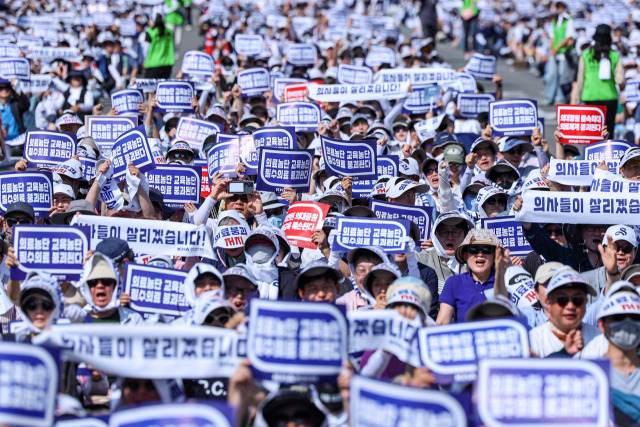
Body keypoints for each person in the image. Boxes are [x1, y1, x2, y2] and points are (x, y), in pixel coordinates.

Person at [528, 266, 600, 358]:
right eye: (562, 300)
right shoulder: (533, 340)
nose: (570, 306)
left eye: (577, 300)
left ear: (586, 302)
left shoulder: (600, 339)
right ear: (548, 302)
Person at [437, 229, 502, 324]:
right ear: (465, 255)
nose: (480, 254)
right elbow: (442, 322)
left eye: (486, 249)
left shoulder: (505, 282)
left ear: (495, 255)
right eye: (473, 249)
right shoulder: (454, 283)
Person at [575, 24, 624, 134]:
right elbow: (620, 80)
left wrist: (578, 97)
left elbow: (580, 79)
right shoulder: (614, 56)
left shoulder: (586, 55)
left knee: (592, 133)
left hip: (590, 97)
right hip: (609, 97)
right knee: (607, 132)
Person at [545, 1, 575, 105]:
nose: (559, 9)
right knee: (552, 75)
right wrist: (551, 48)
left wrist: (556, 48)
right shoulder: (555, 19)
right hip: (554, 52)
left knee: (563, 77)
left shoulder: (568, 20)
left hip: (563, 52)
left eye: (561, 7)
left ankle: (562, 99)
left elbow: (568, 37)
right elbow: (552, 36)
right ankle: (550, 98)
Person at [144, 14, 175, 79]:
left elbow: (146, 49)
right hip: (167, 63)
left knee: (151, 88)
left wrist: (144, 61)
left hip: (152, 64)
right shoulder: (169, 32)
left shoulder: (150, 32)